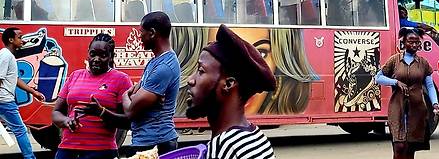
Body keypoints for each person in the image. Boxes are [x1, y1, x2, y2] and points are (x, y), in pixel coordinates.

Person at [186, 24, 276, 159]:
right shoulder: (254, 135)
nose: (190, 80)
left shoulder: (228, 146)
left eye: (201, 71)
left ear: (228, 84)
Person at [52, 34, 132, 159]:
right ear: (88, 54)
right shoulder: (75, 76)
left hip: (101, 151)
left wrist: (102, 113)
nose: (96, 59)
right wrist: (66, 121)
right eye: (93, 54)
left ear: (111, 57)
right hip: (67, 149)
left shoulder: (121, 79)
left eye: (103, 55)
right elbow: (56, 112)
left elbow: (129, 121)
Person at [376, 28, 439, 159]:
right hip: (397, 107)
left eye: (417, 42)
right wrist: (395, 82)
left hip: (417, 108)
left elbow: (429, 85)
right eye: (411, 41)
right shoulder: (394, 60)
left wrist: (435, 104)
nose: (415, 45)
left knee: (411, 147)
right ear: (404, 42)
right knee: (399, 146)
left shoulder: (423, 63)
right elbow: (378, 78)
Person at [123, 12, 181, 155]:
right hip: (146, 141)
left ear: (152, 33)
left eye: (141, 33)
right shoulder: (155, 62)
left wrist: (125, 95)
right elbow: (137, 97)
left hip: (157, 143)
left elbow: (130, 110)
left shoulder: (164, 67)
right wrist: (136, 95)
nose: (139, 37)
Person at [0, 28, 45, 159]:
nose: (23, 40)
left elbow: (15, 79)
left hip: (4, 100)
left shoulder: (8, 56)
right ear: (11, 40)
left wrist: (33, 92)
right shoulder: (5, 55)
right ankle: (29, 157)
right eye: (20, 37)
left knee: (19, 130)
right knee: (20, 130)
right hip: (5, 101)